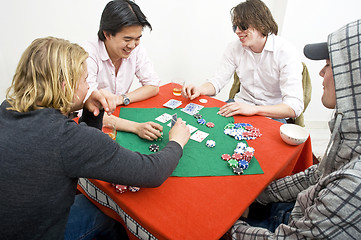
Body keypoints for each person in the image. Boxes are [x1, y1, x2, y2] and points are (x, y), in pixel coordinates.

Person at [0, 37, 190, 240]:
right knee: (113, 214)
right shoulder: (67, 138)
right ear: (65, 87)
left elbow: (80, 154)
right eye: (84, 81)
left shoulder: (7, 106)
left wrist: (91, 112)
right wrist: (176, 141)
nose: (87, 88)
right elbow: (152, 172)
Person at [228, 19, 361, 239]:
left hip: (288, 226)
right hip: (301, 208)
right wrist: (256, 196)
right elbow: (316, 175)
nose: (321, 73)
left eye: (328, 65)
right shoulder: (348, 140)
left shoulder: (354, 182)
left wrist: (230, 225)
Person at [182, 0, 303, 123]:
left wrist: (254, 109)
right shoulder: (234, 47)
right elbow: (217, 81)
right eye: (235, 27)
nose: (237, 31)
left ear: (261, 25)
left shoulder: (286, 52)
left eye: (243, 26)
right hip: (240, 104)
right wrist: (199, 89)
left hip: (272, 114)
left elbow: (294, 107)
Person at [83, 0, 163, 141]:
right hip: (90, 128)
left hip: (117, 117)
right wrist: (136, 127)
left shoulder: (136, 48)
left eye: (137, 38)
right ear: (107, 34)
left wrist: (121, 99)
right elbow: (91, 110)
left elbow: (153, 86)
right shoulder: (87, 54)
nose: (132, 45)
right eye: (127, 39)